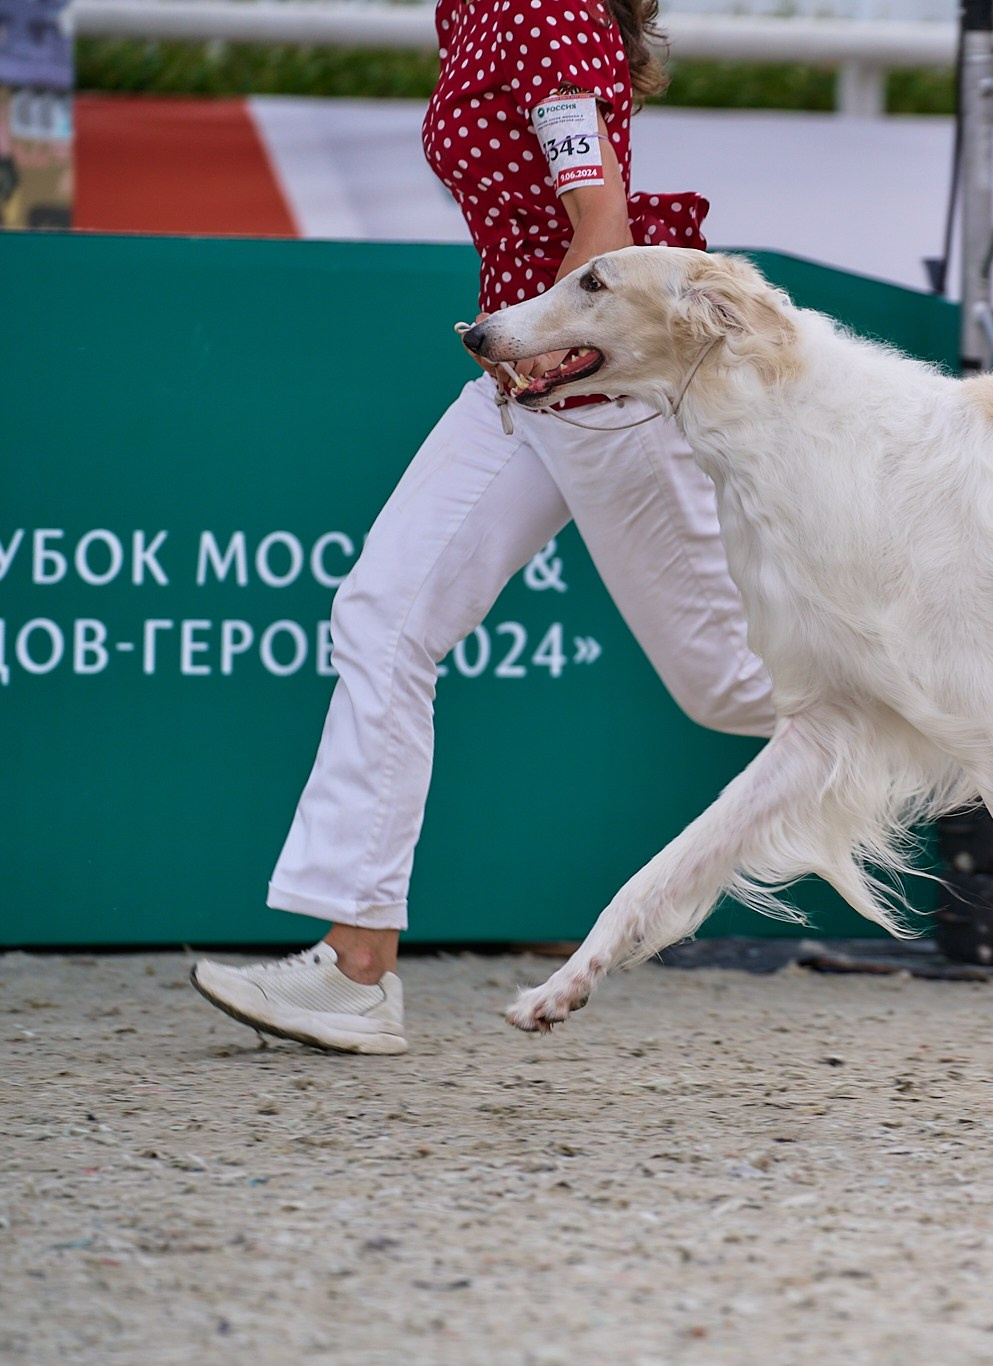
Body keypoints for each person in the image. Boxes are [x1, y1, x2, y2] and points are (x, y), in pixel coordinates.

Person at [189, 0, 773, 1054]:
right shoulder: (478, 11)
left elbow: (600, 221)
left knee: (728, 686)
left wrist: (553, 355)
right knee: (382, 616)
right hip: (524, 371)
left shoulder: (544, 8)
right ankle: (356, 967)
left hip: (594, 382)